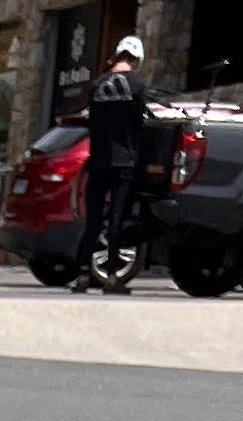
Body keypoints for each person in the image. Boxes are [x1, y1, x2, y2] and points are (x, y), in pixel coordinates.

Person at [75, 30, 151, 291]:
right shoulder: (138, 87)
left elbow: (92, 124)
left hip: (98, 161)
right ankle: (111, 276)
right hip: (124, 162)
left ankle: (83, 274)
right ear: (136, 59)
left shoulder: (96, 86)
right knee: (117, 218)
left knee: (94, 219)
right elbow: (141, 124)